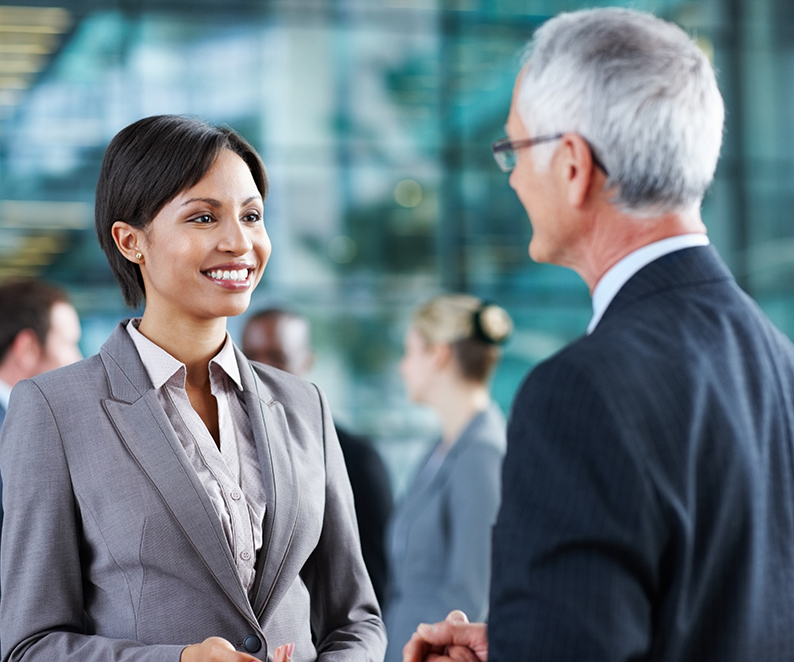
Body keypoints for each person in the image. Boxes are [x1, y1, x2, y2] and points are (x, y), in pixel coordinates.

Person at [404, 7, 794, 662]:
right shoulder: (777, 361)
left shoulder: (578, 393)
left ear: (574, 166)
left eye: (515, 150)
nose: (516, 178)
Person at [0, 115, 386, 662]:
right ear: (130, 240)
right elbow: (30, 645)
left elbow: (356, 619)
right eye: (204, 217)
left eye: (252, 216)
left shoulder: (304, 404)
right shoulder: (54, 411)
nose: (239, 242)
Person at [384, 294, 511, 662]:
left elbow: (472, 596)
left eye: (410, 352)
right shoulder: (442, 448)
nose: (403, 367)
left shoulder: (482, 455)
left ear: (438, 354)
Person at [241, 307, 393, 606]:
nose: (261, 370)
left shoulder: (355, 459)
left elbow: (371, 585)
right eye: (250, 356)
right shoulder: (226, 450)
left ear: (307, 362)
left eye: (276, 357)